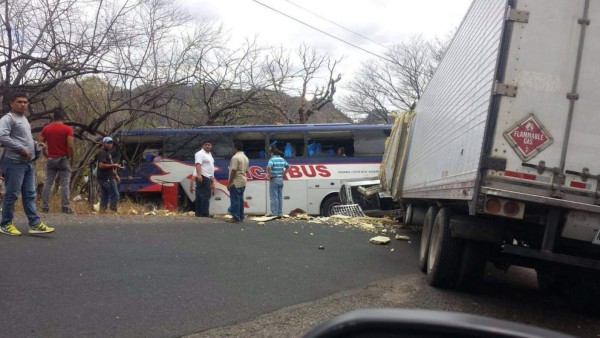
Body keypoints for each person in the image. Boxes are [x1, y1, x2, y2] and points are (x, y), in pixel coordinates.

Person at [0, 92, 54, 236]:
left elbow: (24, 139)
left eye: (25, 102)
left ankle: (34, 223)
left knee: (30, 194)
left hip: (28, 163)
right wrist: (21, 149)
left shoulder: (23, 119)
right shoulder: (8, 118)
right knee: (11, 194)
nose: (23, 104)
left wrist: (37, 144)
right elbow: (2, 136)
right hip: (14, 162)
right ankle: (5, 224)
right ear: (12, 103)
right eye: (20, 102)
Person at [39, 109, 75, 214]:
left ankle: (45, 207)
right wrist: (72, 158)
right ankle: (65, 207)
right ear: (63, 117)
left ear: (53, 117)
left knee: (48, 182)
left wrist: (46, 155)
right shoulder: (68, 129)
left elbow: (40, 144)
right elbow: (71, 145)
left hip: (51, 159)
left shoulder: (46, 129)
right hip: (64, 159)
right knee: (65, 184)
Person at [96, 137, 121, 213]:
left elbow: (110, 166)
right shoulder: (102, 152)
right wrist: (114, 165)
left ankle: (102, 210)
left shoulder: (108, 152)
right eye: (108, 143)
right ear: (103, 143)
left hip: (108, 176)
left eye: (111, 143)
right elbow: (101, 165)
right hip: (105, 177)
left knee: (105, 195)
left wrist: (115, 175)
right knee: (115, 194)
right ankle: (113, 210)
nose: (110, 144)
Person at [227, 141, 249, 223]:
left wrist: (229, 182)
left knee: (235, 200)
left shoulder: (235, 158)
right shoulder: (245, 157)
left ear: (235, 148)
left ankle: (235, 217)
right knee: (240, 200)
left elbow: (233, 170)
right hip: (243, 180)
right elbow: (246, 170)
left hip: (236, 181)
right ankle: (240, 216)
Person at [266, 148, 289, 218]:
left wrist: (269, 175)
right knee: (279, 197)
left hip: (274, 179)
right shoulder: (282, 159)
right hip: (280, 180)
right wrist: (284, 174)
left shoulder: (272, 159)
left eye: (270, 153)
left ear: (272, 153)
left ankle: (274, 213)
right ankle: (280, 212)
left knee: (274, 197)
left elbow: (269, 167)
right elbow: (288, 167)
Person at [194, 140, 215, 217]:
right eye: (206, 144)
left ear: (211, 146)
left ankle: (199, 213)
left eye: (209, 145)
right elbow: (198, 164)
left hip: (208, 176)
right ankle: (204, 213)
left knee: (200, 195)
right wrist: (199, 175)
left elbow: (210, 167)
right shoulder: (200, 154)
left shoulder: (209, 154)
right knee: (205, 195)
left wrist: (212, 178)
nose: (207, 146)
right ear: (203, 146)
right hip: (203, 176)